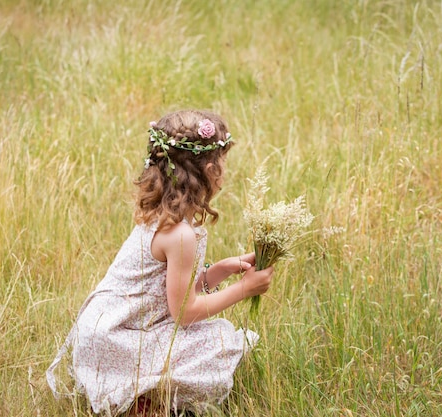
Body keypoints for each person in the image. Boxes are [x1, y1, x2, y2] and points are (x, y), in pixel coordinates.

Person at [47, 109, 274, 416]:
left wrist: (220, 270)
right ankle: (143, 400)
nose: (225, 171)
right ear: (209, 170)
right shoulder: (181, 235)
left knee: (205, 338)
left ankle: (139, 393)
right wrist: (244, 289)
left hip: (103, 329)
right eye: (222, 163)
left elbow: (166, 292)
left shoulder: (161, 213)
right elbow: (185, 312)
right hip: (118, 338)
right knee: (217, 341)